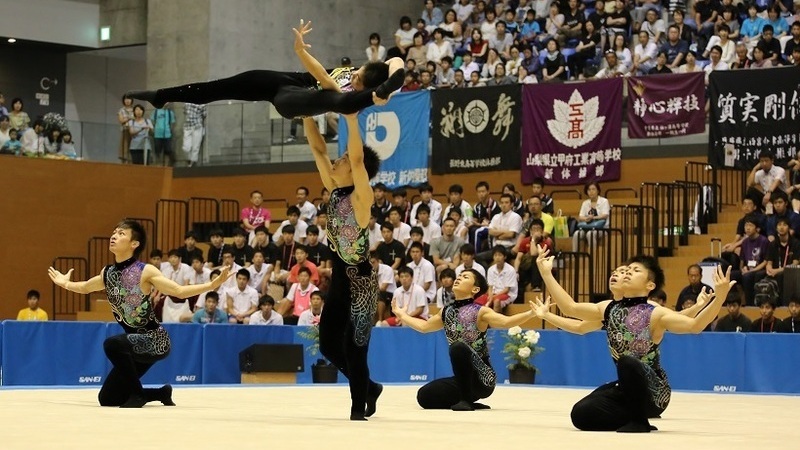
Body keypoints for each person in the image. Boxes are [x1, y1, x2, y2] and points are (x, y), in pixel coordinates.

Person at [534, 247, 735, 432]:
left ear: (650, 285)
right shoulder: (609, 308)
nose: (628, 272)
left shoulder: (655, 313)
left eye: (636, 270)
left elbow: (695, 325)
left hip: (654, 392)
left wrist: (720, 298)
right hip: (627, 388)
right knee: (580, 414)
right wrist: (546, 274)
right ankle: (632, 415)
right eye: (627, 269)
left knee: (628, 361)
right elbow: (570, 308)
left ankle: (640, 422)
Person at [48, 220, 231, 407]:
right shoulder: (108, 273)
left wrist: (211, 285)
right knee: (107, 398)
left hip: (155, 341)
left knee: (112, 344)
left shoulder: (145, 271)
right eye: (114, 232)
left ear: (134, 244)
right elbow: (86, 287)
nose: (114, 236)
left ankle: (138, 395)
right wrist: (65, 284)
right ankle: (160, 393)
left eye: (121, 234)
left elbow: (178, 290)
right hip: (132, 347)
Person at [128, 20, 405, 120]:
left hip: (301, 100)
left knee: (341, 101)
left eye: (357, 79)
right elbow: (396, 63)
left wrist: (300, 51)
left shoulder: (352, 94)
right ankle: (162, 95)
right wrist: (395, 74)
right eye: (357, 72)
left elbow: (323, 77)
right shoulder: (368, 70)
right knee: (224, 86)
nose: (353, 75)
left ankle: (373, 95)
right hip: (289, 82)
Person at [305, 102, 382, 420]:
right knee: (327, 346)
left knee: (355, 347)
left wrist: (351, 119)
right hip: (339, 277)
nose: (337, 160)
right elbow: (318, 150)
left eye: (344, 158)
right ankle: (370, 387)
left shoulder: (362, 198)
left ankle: (357, 410)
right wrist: (306, 113)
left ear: (355, 168)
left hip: (361, 281)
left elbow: (358, 158)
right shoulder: (335, 190)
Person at [393, 270, 538, 411]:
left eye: (465, 277)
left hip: (483, 378)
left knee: (458, 347)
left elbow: (506, 322)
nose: (459, 278)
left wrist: (532, 313)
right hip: (462, 380)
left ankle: (465, 400)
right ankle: (467, 399)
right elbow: (424, 327)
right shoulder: (446, 311)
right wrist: (402, 315)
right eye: (459, 275)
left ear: (475, 289)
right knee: (424, 396)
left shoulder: (481, 311)